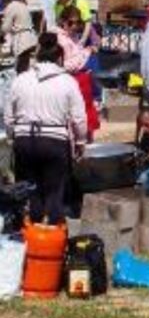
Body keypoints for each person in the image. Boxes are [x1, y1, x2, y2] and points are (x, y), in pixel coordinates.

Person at [6, 33, 88, 223]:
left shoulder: (21, 79)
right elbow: (79, 118)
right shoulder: (68, 82)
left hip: (24, 140)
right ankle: (52, 243)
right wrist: (81, 142)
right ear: (59, 58)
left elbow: (9, 115)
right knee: (54, 194)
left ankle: (30, 242)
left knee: (29, 192)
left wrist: (12, 137)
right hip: (54, 142)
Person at [1, 0, 37, 72]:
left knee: (21, 68)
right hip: (31, 37)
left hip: (21, 40)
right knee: (29, 65)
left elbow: (5, 28)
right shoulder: (22, 5)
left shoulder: (10, 7)